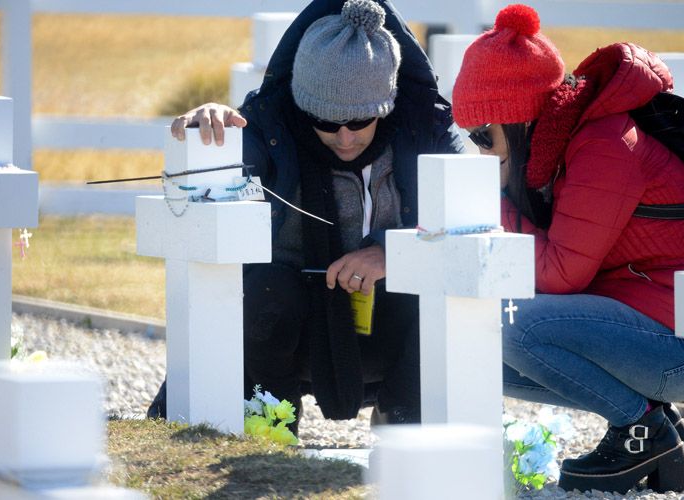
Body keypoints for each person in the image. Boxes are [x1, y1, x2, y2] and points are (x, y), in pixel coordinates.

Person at [148, 0, 464, 428]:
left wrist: (392, 252)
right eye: (326, 121)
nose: (345, 137)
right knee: (264, 288)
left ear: (386, 105)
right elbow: (211, 175)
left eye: (360, 120)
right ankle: (272, 418)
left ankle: (404, 411)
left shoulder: (426, 127)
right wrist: (212, 126)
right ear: (301, 104)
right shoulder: (270, 125)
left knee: (444, 291)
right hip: (287, 326)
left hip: (387, 323)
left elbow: (469, 221)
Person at [452, 3, 684, 495]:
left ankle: (643, 430)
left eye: (484, 136)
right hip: (644, 320)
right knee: (475, 347)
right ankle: (652, 420)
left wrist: (488, 208)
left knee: (512, 326)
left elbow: (559, 274)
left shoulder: (604, 146)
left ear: (520, 121)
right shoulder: (557, 149)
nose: (481, 152)